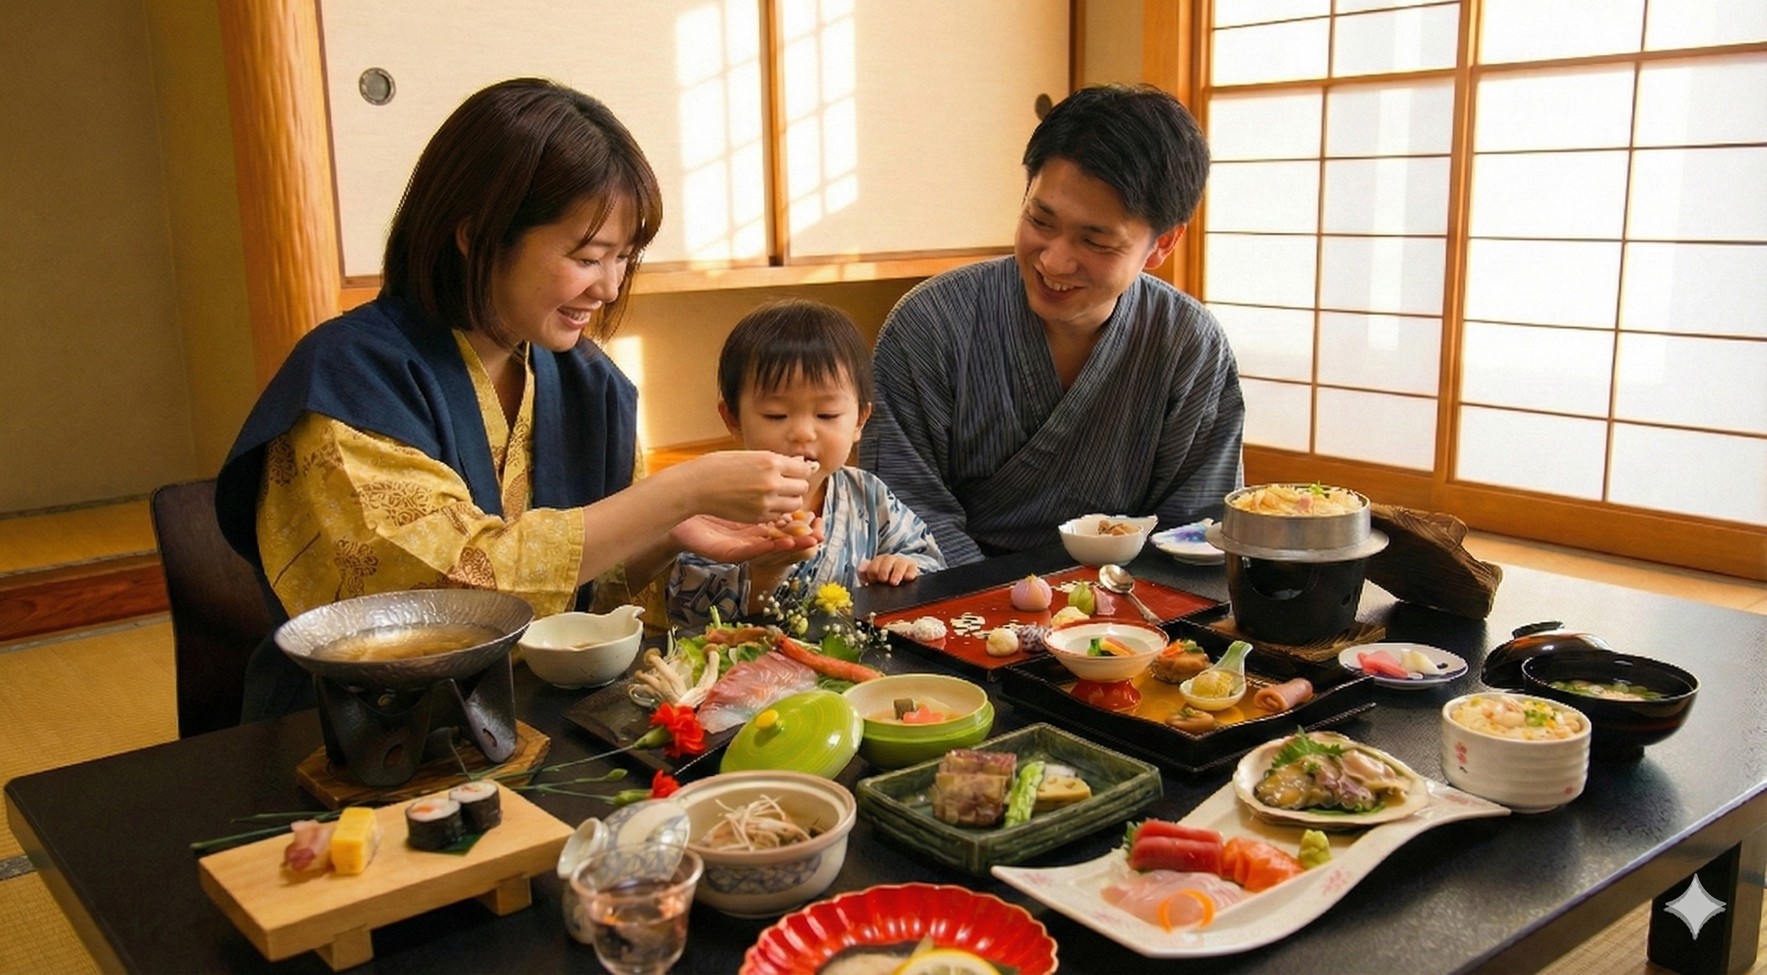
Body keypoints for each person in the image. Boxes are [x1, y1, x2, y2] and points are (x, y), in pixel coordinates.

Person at [215, 79, 818, 720]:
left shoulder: (591, 383)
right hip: (362, 731)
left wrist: (666, 536)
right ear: (478, 236)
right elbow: (440, 596)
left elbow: (587, 594)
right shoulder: (348, 383)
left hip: (531, 711)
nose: (610, 288)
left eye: (625, 257)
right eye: (588, 257)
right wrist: (674, 494)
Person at [860, 83, 1244, 565]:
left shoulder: (1189, 343)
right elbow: (904, 515)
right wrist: (1002, 611)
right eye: (1041, 221)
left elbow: (1194, 530)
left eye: (1096, 242)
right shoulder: (930, 325)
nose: (1056, 262)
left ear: (1163, 244)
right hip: (957, 608)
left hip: (1127, 612)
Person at [669, 299, 945, 628]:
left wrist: (901, 568)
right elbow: (688, 614)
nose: (802, 432)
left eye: (827, 414)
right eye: (776, 415)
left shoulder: (868, 495)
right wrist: (764, 573)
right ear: (733, 419)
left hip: (853, 664)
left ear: (860, 420)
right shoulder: (715, 503)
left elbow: (930, 562)